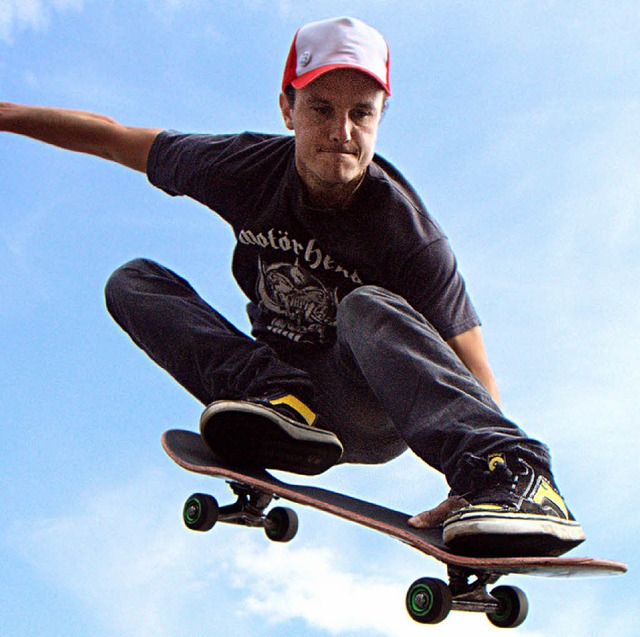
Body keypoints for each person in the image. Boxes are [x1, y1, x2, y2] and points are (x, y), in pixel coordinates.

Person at [0, 16, 585, 557]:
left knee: (365, 307)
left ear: (380, 116)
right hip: (276, 399)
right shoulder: (240, 165)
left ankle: (519, 480)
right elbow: (112, 138)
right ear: (287, 107)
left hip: (368, 408)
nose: (342, 133)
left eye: (362, 113)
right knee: (132, 283)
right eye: (321, 110)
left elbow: (472, 366)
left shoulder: (408, 232)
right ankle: (280, 406)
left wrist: (473, 476)